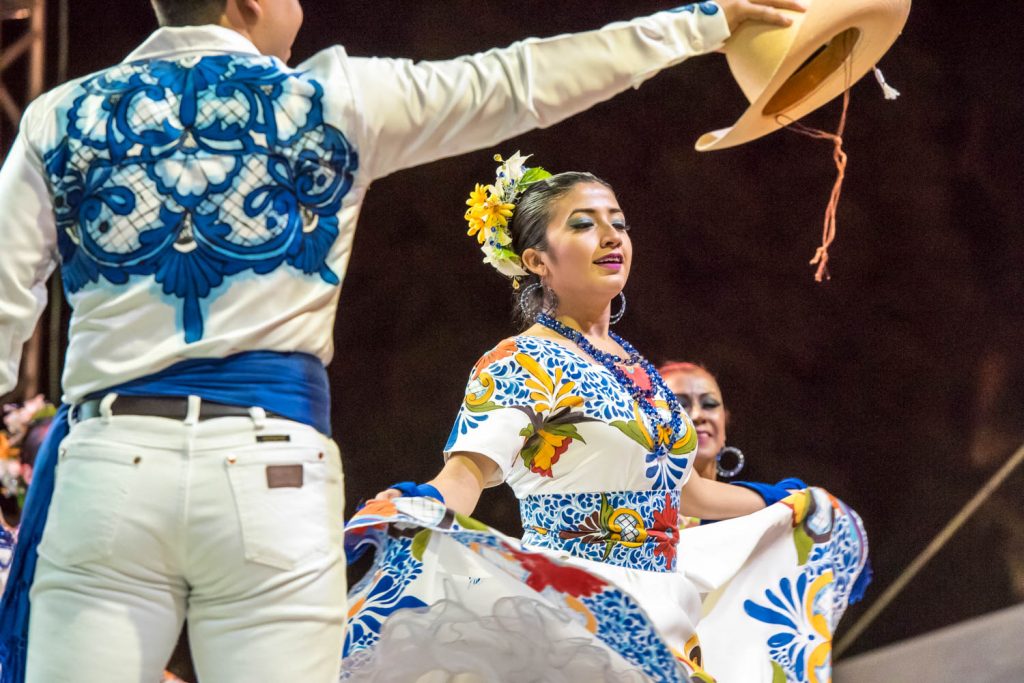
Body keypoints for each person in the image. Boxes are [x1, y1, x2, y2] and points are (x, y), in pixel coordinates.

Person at [0, 0, 810, 680]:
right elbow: (523, 80)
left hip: (106, 468)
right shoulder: (331, 99)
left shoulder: (58, 117)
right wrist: (705, 21)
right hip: (267, 476)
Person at [343, 155, 870, 681]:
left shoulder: (639, 370)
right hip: (579, 615)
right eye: (583, 224)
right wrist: (424, 502)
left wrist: (783, 499)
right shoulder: (521, 363)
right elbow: (467, 474)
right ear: (536, 261)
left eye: (618, 222)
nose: (611, 236)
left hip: (671, 608)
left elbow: (687, 494)